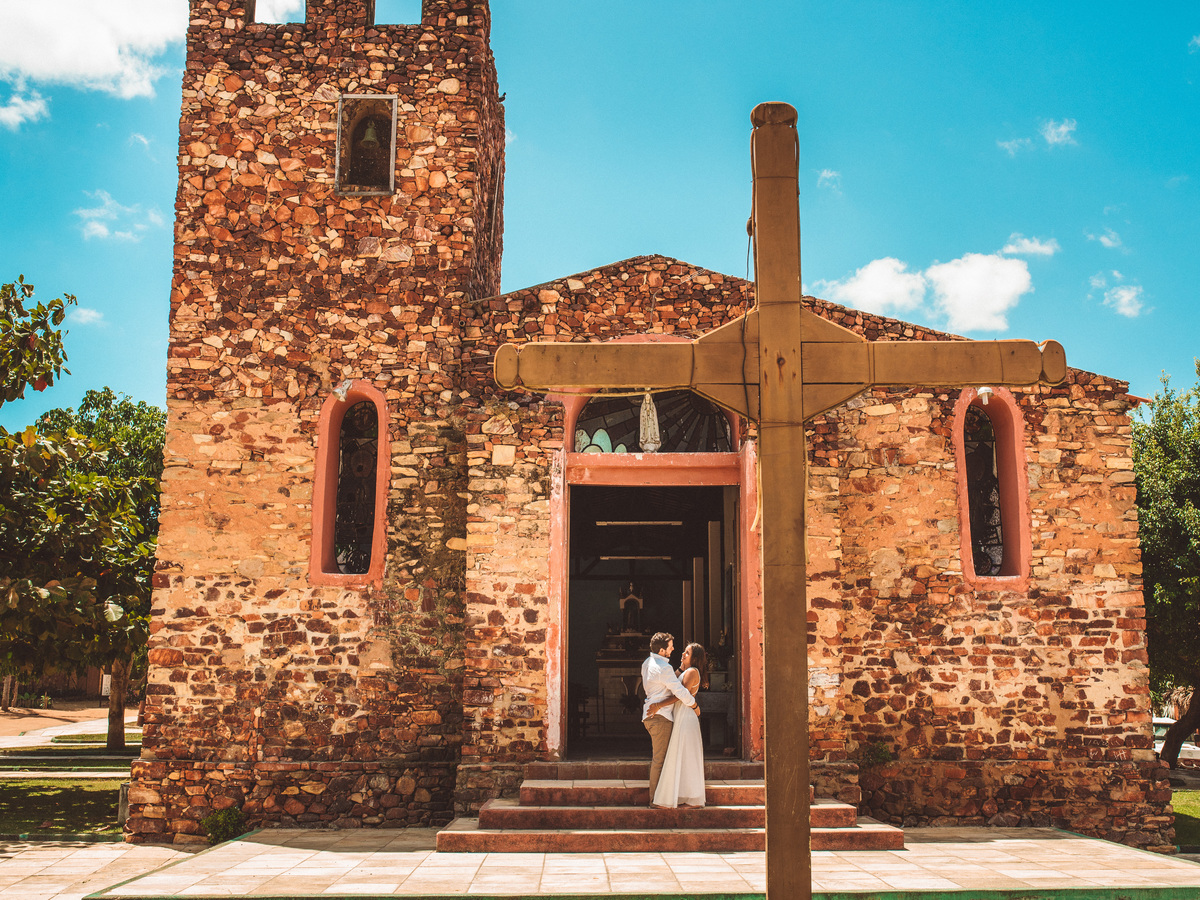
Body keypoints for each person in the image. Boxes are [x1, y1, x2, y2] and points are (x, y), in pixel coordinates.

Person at [647, 642, 708, 809]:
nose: (682, 654)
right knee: (680, 755)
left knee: (686, 755)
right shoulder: (685, 671)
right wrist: (681, 667)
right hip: (681, 715)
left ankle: (692, 797)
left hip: (686, 717)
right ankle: (682, 795)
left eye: (687, 653)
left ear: (695, 658)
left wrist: (658, 705)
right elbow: (671, 682)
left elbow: (679, 695)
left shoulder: (692, 672)